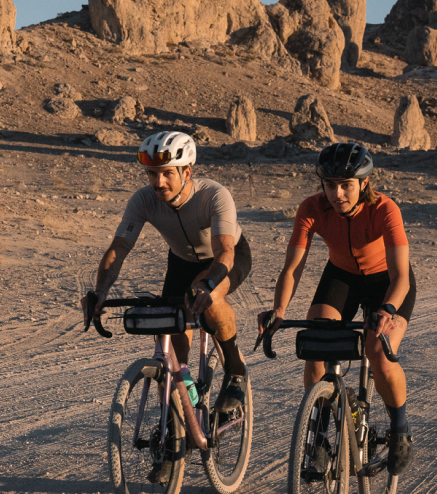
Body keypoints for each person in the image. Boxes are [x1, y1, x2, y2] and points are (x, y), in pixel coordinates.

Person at [85, 131, 253, 433]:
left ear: (186, 172)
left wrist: (208, 286)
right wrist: (100, 292)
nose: (157, 182)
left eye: (166, 174)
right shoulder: (144, 200)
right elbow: (119, 249)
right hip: (181, 263)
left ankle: (235, 369)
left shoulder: (213, 195)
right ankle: (176, 429)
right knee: (172, 332)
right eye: (151, 173)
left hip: (226, 257)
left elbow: (225, 252)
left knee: (210, 300)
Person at [263, 142, 415, 475]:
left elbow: (401, 276)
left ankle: (400, 429)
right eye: (330, 185)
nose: (337, 193)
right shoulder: (312, 208)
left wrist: (388, 309)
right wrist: (278, 311)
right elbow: (292, 269)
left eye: (346, 185)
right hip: (342, 276)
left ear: (363, 183)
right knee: (317, 344)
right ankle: (318, 439)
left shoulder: (385, 210)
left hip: (387, 284)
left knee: (378, 349)